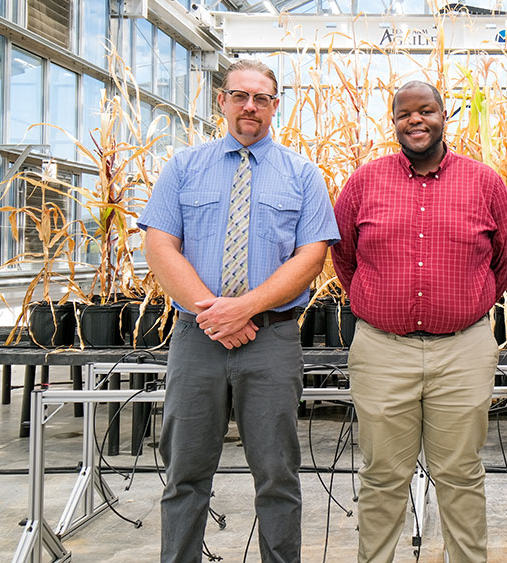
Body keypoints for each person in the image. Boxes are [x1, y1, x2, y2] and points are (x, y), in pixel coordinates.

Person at [139, 59, 340, 563]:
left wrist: (244, 308)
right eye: (239, 95)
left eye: (262, 98)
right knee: (185, 471)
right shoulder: (184, 167)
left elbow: (312, 256)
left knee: (277, 474)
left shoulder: (302, 174)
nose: (250, 106)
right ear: (221, 100)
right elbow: (161, 246)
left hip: (271, 341)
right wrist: (213, 314)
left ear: (276, 106)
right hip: (196, 339)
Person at [331, 80, 507, 562]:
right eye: (404, 114)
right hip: (382, 349)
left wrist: (465, 305)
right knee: (381, 475)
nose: (415, 121)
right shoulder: (364, 182)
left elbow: (506, 261)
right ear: (393, 122)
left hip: (462, 349)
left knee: (460, 472)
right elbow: (345, 259)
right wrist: (377, 303)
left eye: (426, 111)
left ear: (443, 117)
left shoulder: (484, 182)